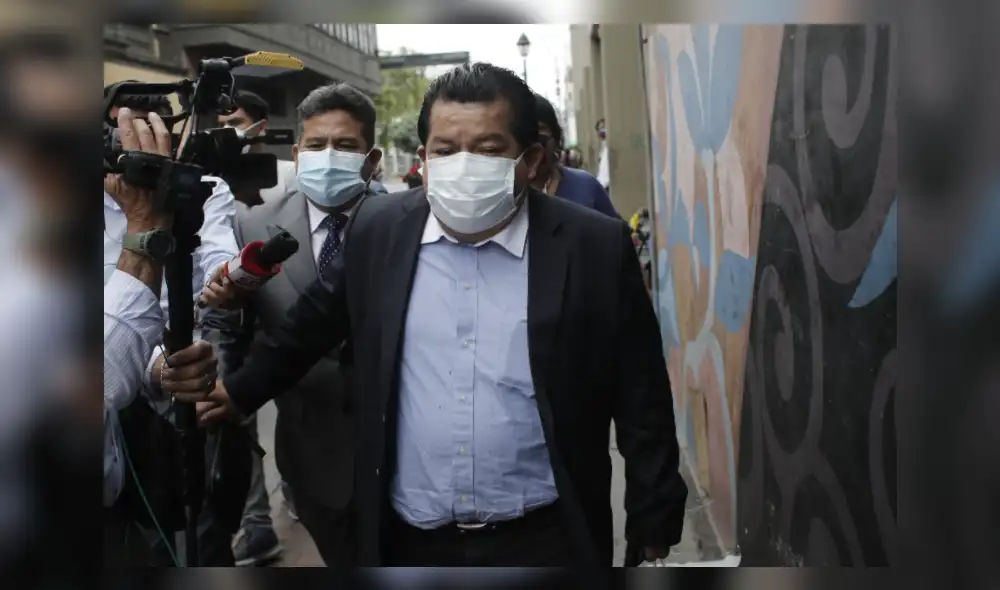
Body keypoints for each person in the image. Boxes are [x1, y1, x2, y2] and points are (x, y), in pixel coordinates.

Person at [190, 62, 687, 569]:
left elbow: (641, 391)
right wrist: (238, 392)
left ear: (531, 160)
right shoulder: (379, 229)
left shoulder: (593, 247)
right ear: (424, 159)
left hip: (546, 535)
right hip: (411, 537)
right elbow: (310, 324)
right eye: (446, 151)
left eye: (488, 150)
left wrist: (654, 519)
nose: (464, 166)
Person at [202, 83, 388, 568]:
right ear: (298, 155)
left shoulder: (402, 225)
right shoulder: (252, 224)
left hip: (399, 447)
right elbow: (229, 326)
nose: (329, 156)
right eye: (316, 145)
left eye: (344, 146)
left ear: (371, 160)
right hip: (310, 451)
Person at [102, 85, 240, 566]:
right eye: (127, 131)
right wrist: (145, 226)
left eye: (153, 130)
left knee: (197, 521)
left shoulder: (200, 187)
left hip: (180, 358)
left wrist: (160, 370)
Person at [532, 94, 618, 218]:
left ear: (555, 137)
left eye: (540, 129)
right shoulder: (506, 198)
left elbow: (615, 229)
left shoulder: (585, 186)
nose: (533, 140)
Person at [218, 90, 298, 206]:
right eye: (220, 125)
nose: (225, 130)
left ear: (261, 126)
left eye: (235, 123)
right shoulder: (212, 178)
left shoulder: (290, 175)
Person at [595, 118, 610, 191]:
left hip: (607, 185)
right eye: (600, 129)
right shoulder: (603, 146)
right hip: (602, 185)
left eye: (604, 128)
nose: (602, 131)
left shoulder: (609, 145)